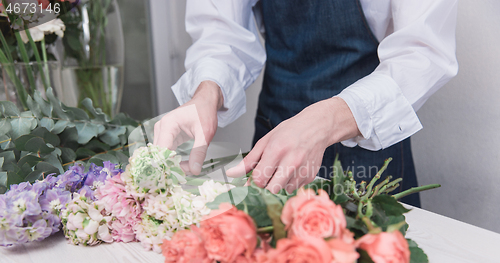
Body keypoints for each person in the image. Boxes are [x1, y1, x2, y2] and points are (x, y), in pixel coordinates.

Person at [153, 0, 458, 206]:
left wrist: (324, 121)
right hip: (273, 137)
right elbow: (221, 30)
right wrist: (206, 92)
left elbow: (423, 54)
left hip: (370, 148)